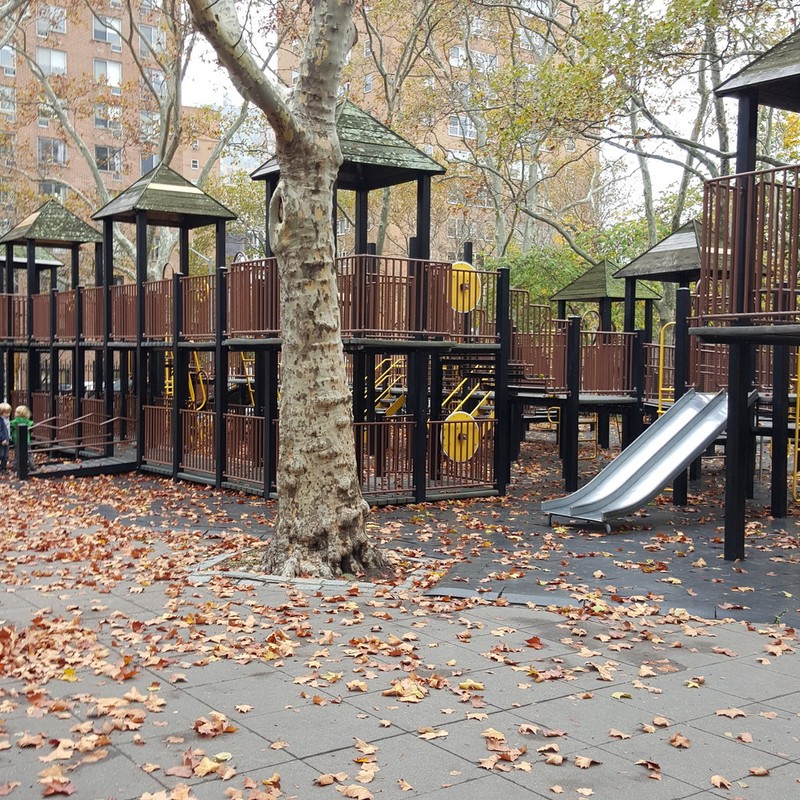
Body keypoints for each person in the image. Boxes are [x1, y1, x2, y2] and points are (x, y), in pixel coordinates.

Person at [10, 405, 35, 472]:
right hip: (26, 441)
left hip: (17, 441)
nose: (14, 413)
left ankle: (15, 466)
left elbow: (9, 424)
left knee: (17, 454)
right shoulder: (27, 421)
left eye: (16, 412)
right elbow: (32, 423)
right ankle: (32, 465)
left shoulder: (15, 421)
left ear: (19, 414)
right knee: (29, 454)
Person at [0, 403, 11, 471]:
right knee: (1, 454)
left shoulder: (7, 419)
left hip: (7, 439)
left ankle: (3, 468)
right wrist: (2, 439)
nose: (8, 414)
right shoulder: (1, 421)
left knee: (6, 455)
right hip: (2, 440)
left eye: (9, 412)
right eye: (6, 413)